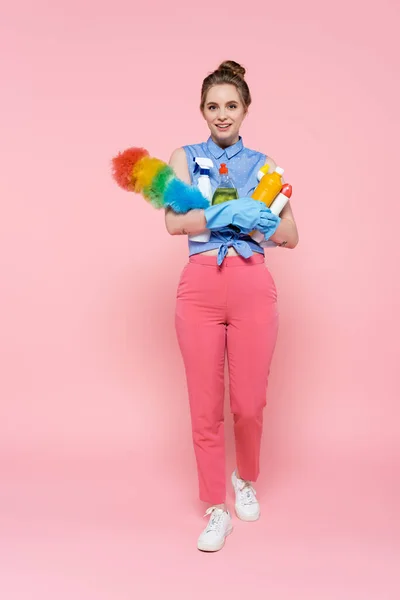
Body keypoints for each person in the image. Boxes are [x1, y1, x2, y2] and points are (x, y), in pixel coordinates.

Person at [165, 60, 299, 552]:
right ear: (202, 111)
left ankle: (246, 478)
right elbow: (174, 224)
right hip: (199, 286)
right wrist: (229, 211)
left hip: (251, 284)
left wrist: (260, 220)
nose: (222, 115)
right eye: (213, 106)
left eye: (231, 106)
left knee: (248, 403)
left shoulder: (266, 166)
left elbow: (291, 235)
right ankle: (215, 508)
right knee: (204, 407)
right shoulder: (183, 158)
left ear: (246, 110)